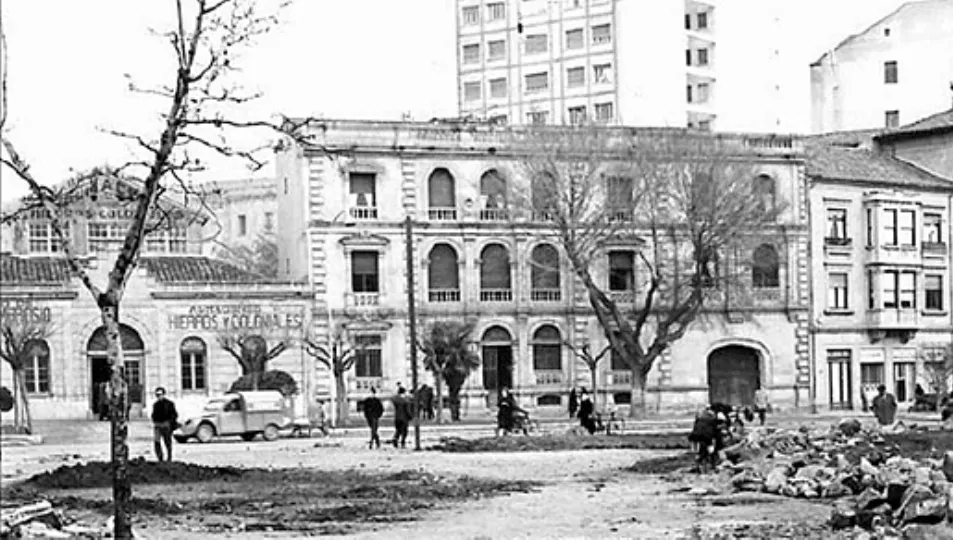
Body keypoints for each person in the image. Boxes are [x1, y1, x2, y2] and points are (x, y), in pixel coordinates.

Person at [151, 387, 178, 462]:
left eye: (160, 394)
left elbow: (174, 414)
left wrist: (170, 423)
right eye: (157, 395)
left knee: (168, 442)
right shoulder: (155, 405)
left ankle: (169, 457)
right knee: (157, 442)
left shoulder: (169, 404)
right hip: (158, 425)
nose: (159, 396)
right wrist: (154, 420)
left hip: (166, 425)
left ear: (163, 394)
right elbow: (153, 414)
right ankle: (160, 457)